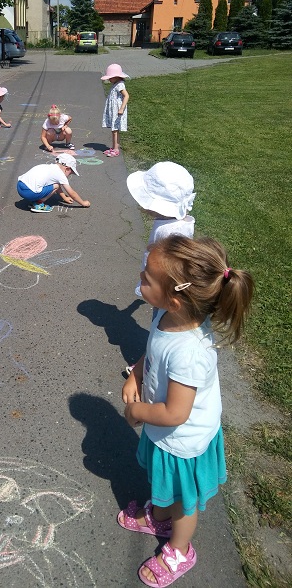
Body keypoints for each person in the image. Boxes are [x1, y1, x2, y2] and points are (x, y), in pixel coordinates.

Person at [120, 234, 254, 587]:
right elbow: (154, 350)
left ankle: (180, 549)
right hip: (166, 430)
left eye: (147, 277)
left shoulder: (190, 353)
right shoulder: (167, 315)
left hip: (183, 441)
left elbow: (176, 413)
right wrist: (137, 373)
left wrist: (137, 412)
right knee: (164, 484)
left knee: (183, 501)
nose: (141, 275)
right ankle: (160, 516)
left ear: (175, 299)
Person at [127, 162, 196, 298]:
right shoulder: (184, 222)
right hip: (169, 284)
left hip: (163, 287)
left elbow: (156, 260)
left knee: (162, 310)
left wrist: (147, 281)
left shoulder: (166, 231)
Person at [17, 153, 91, 213]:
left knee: (54, 185)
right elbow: (72, 193)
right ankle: (38, 204)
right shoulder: (60, 175)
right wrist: (83, 203)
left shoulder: (49, 167)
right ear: (67, 169)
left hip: (20, 186)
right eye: (71, 173)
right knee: (56, 185)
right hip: (29, 193)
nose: (69, 175)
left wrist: (64, 198)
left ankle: (34, 198)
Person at [101, 63, 129, 157]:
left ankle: (116, 149)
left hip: (117, 110)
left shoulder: (120, 85)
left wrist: (121, 108)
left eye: (110, 77)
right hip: (113, 110)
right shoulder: (115, 84)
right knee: (114, 129)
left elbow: (126, 96)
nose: (109, 79)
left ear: (117, 77)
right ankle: (113, 147)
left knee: (115, 129)